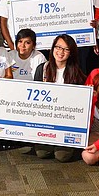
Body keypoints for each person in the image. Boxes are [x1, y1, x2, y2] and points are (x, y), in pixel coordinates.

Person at [33, 34, 86, 162]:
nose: (61, 52)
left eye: (66, 49)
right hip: (46, 120)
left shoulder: (76, 71)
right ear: (52, 48)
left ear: (71, 53)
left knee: (62, 156)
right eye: (58, 47)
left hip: (66, 122)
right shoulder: (43, 68)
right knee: (42, 153)